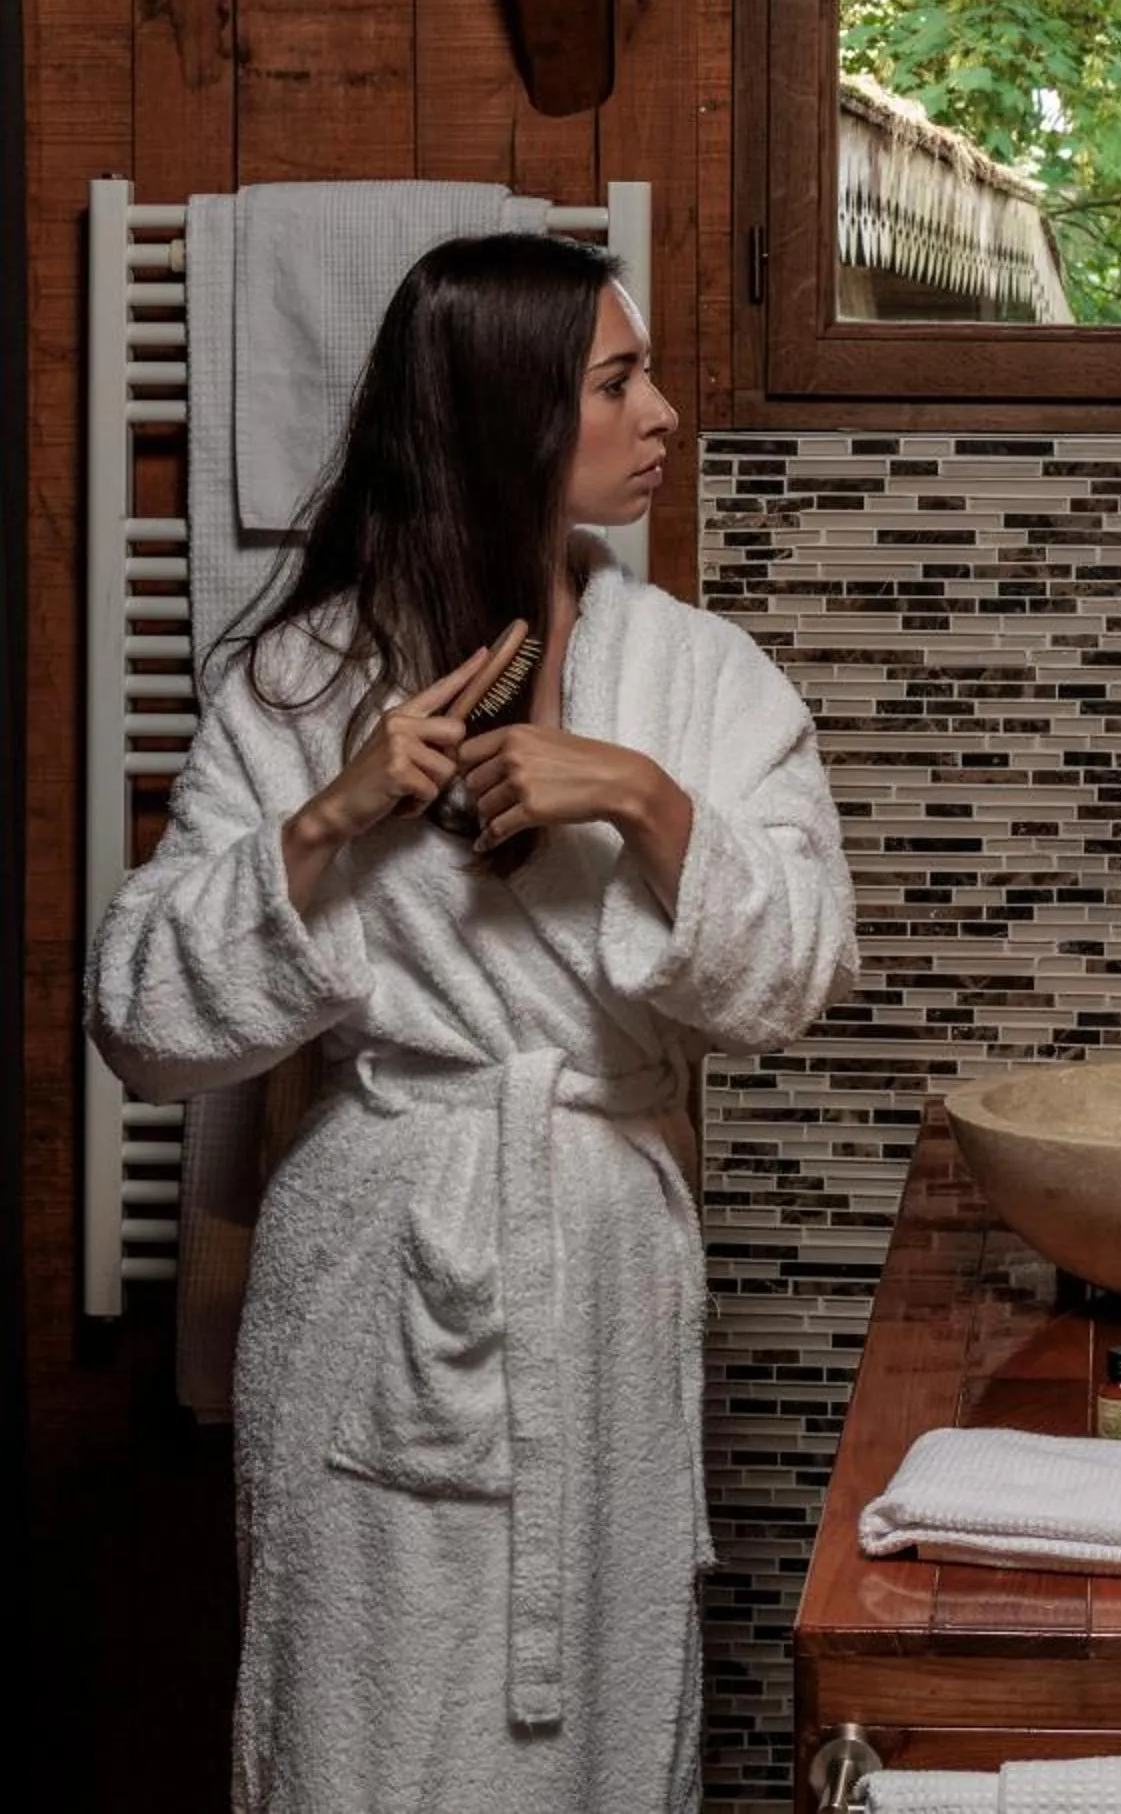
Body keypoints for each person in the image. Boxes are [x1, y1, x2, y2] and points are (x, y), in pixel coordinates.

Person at [87, 235, 858, 1814]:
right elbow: (143, 1023)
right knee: (357, 1723)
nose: (663, 415)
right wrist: (333, 814)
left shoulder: (702, 683)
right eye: (616, 382)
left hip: (599, 1279)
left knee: (595, 1736)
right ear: (512, 417)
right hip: (376, 1275)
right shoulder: (304, 687)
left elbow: (795, 975)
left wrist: (638, 798)